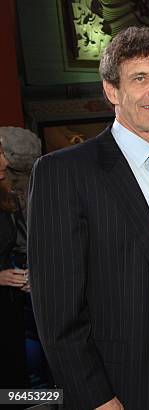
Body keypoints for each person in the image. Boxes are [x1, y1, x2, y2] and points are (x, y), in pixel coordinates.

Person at [28, 26, 149, 409]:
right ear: (112, 91)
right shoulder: (63, 172)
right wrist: (96, 398)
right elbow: (57, 312)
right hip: (121, 381)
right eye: (140, 78)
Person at [0, 141, 29, 405]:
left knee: (15, 387)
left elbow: (21, 243)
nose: (5, 163)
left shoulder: (8, 198)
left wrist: (30, 273)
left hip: (10, 308)